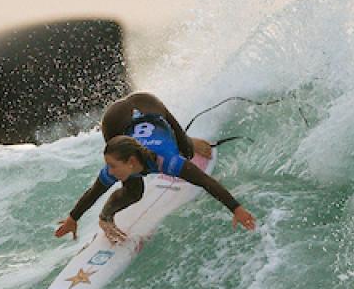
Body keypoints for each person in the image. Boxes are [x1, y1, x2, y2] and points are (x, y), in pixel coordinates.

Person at [54, 92, 258, 245]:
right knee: (134, 191)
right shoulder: (120, 162)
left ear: (131, 162)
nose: (109, 170)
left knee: (186, 151)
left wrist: (236, 209)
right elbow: (94, 191)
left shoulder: (168, 161)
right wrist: (73, 218)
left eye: (113, 166)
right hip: (115, 119)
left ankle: (191, 142)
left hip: (150, 105)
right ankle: (105, 218)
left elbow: (205, 181)